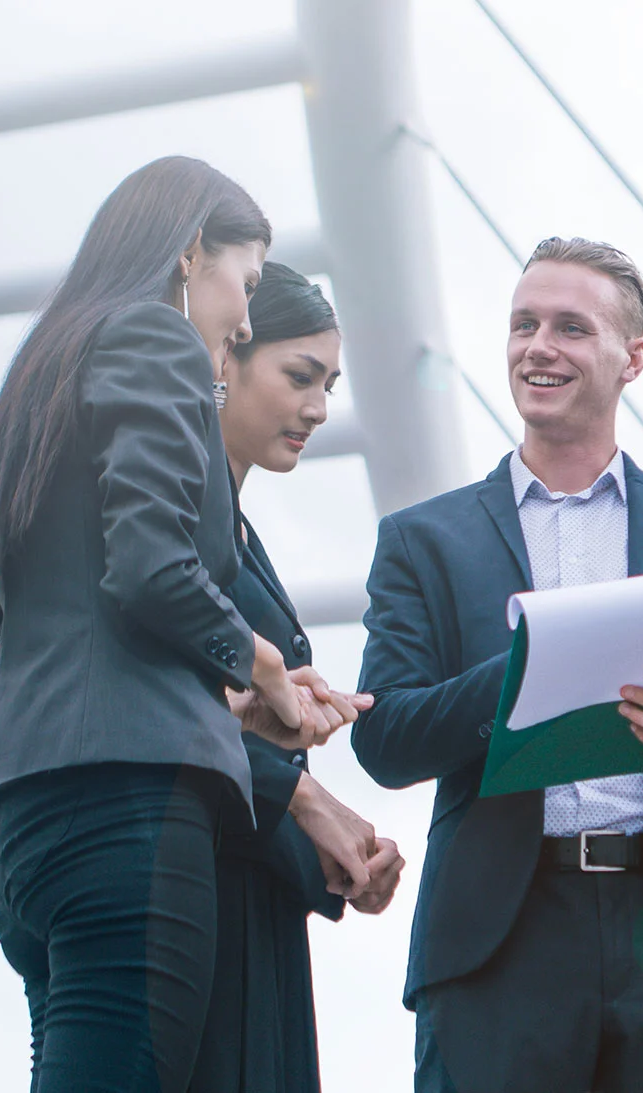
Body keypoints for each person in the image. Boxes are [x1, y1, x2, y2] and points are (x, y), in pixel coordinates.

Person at [0, 156, 366, 1093]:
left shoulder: (53, 370)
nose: (246, 317)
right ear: (190, 254)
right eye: (246, 283)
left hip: (28, 824)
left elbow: (64, 614)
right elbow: (148, 564)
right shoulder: (154, 340)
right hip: (125, 819)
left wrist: (237, 706)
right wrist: (261, 668)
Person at [353, 236, 643, 1093]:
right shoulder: (423, 542)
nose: (538, 347)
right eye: (524, 324)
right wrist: (531, 673)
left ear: (632, 358)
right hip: (499, 944)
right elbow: (386, 743)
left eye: (570, 327)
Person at [191, 262, 407, 1093]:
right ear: (226, 360)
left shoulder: (237, 534)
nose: (319, 407)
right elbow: (169, 715)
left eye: (330, 384)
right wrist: (315, 811)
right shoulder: (179, 533)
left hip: (252, 900)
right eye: (298, 376)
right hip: (200, 898)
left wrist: (336, 857)